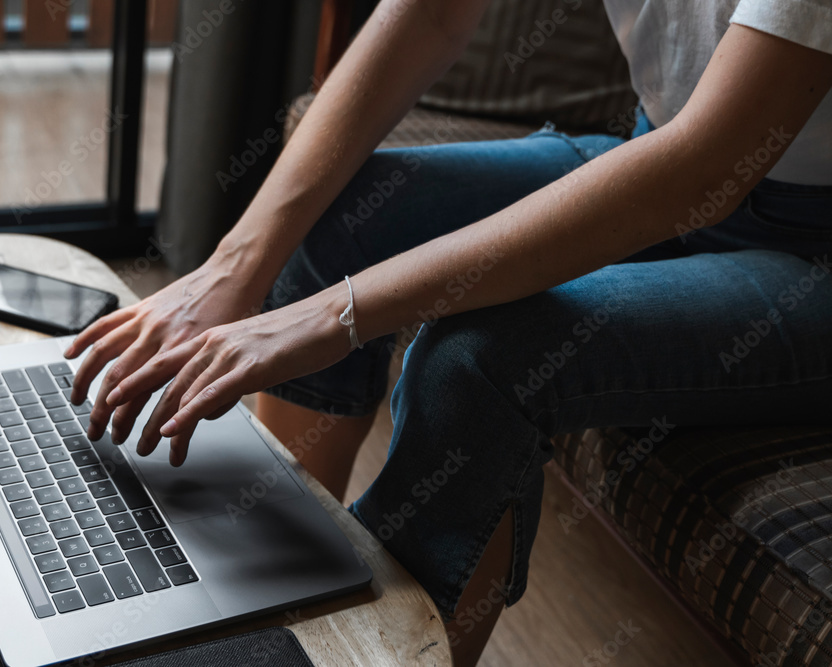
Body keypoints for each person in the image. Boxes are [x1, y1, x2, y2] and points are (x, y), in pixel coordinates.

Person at [66, 1, 832, 663]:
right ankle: (271, 600)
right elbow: (431, 13)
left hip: (797, 240)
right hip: (657, 146)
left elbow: (704, 171)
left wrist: (334, 313)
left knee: (476, 362)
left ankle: (362, 655)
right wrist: (233, 265)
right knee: (334, 225)